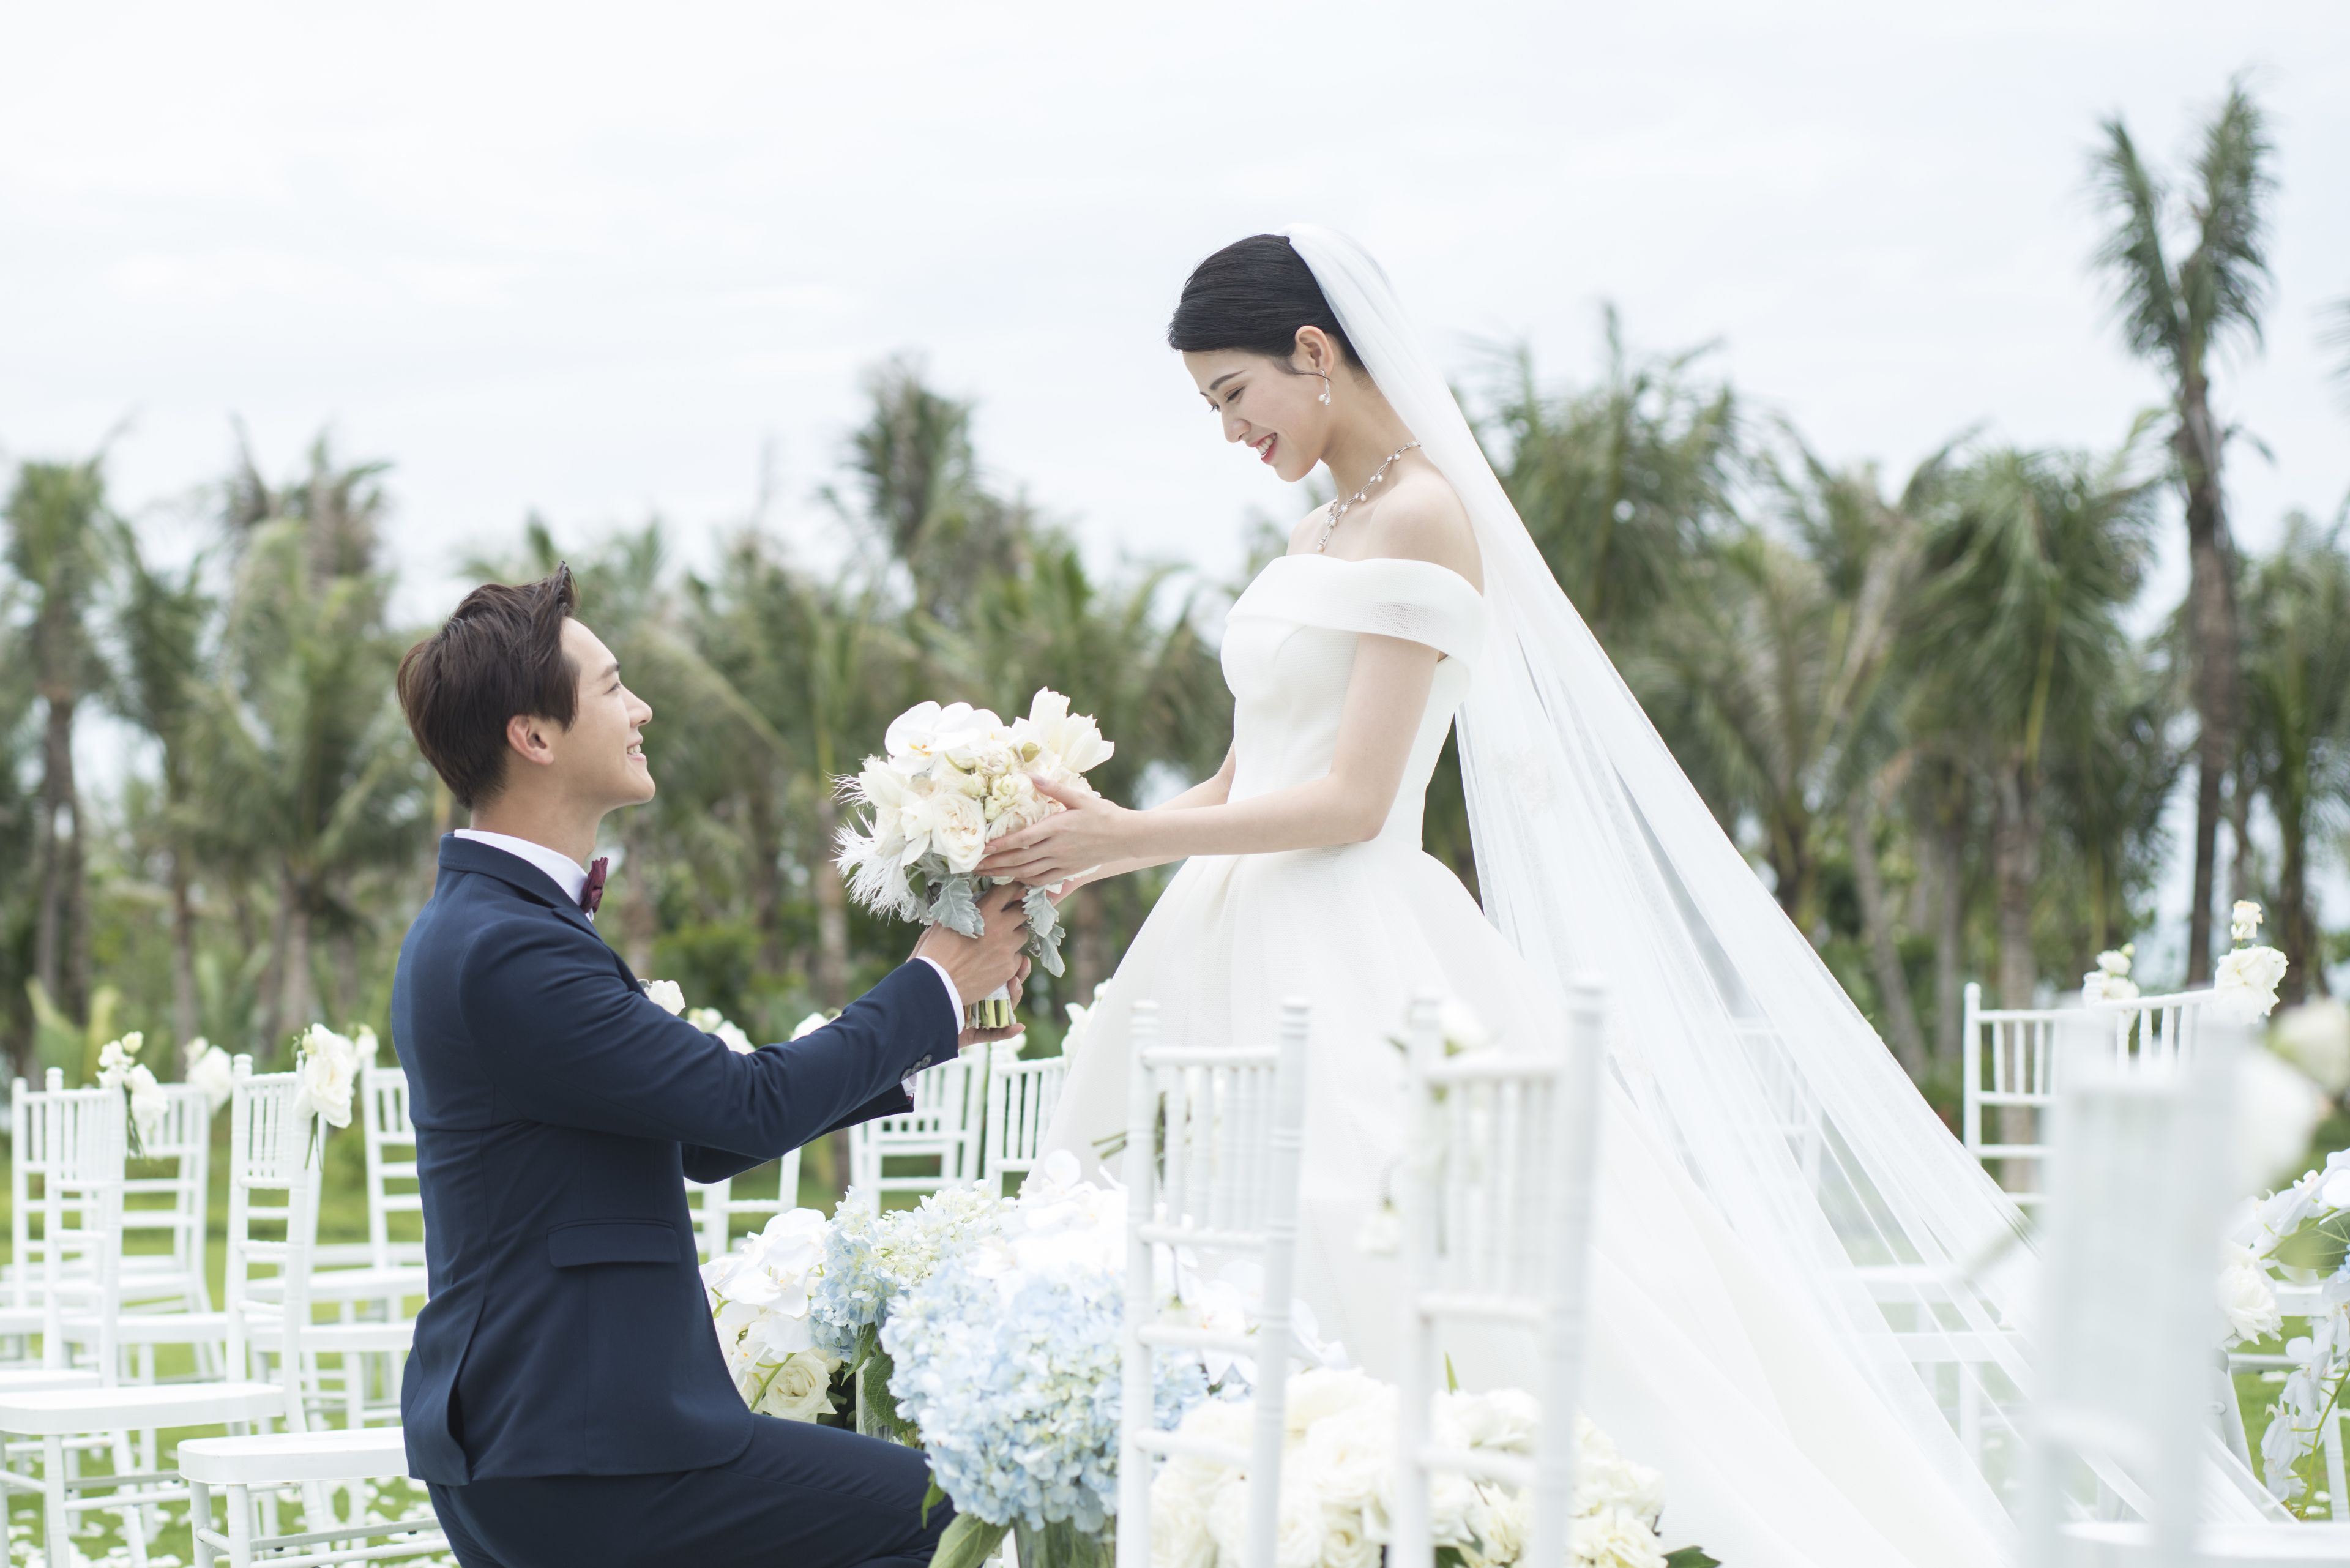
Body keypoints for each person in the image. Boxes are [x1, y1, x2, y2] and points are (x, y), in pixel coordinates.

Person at [987, 230, 2078, 1564]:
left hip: (1351, 938)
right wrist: (1098, 841)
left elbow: (1357, 798)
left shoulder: (1423, 515)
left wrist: (1138, 838)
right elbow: (1246, 767)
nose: (1228, 430)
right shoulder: (1316, 528)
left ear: (1313, 351)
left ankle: (1412, 1516)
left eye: (1233, 393)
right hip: (1229, 934)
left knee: (1374, 1238)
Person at [389, 565, 1032, 1568]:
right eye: (613, 687)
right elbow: (740, 1105)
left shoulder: (490, 925)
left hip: (549, 1439)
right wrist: (932, 985)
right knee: (955, 1516)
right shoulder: (508, 945)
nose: (641, 709)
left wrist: (926, 1031)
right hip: (584, 1449)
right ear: (535, 736)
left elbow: (697, 1136)